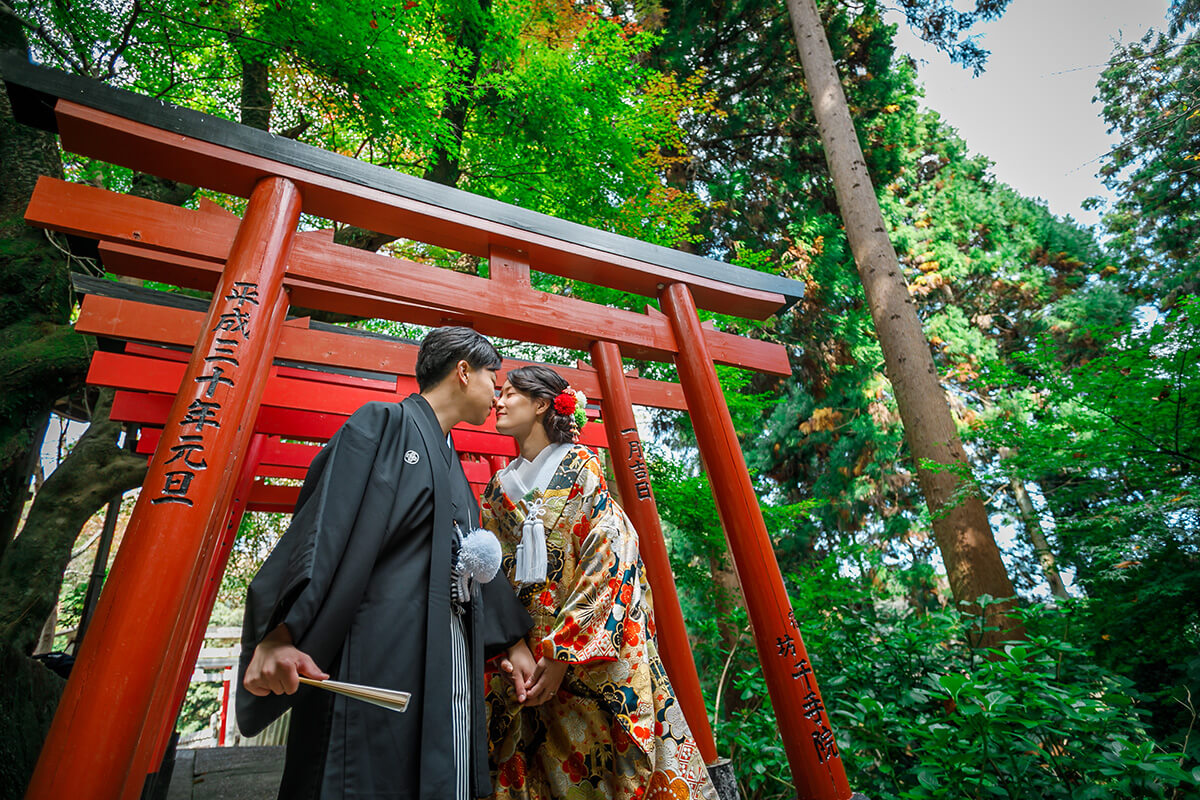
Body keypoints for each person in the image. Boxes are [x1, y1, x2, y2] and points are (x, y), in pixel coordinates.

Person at [237, 326, 536, 800]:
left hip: (447, 655)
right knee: (367, 774)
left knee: (446, 771)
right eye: (492, 379)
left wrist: (511, 642)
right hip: (379, 645)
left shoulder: (454, 465)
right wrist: (281, 633)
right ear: (463, 371)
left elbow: (470, 555)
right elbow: (325, 525)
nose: (496, 393)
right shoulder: (382, 424)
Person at [481, 365, 718, 800]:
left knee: (595, 765)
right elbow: (490, 573)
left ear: (540, 405)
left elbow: (610, 559)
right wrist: (511, 648)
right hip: (523, 656)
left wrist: (561, 654)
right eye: (499, 392)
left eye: (511, 393)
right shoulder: (498, 490)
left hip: (580, 657)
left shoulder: (583, 470)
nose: (499, 400)